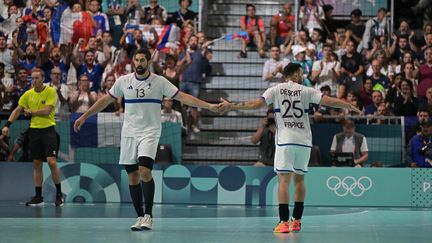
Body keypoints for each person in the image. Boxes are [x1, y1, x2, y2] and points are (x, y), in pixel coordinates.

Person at [73, 49, 220, 231]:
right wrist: (84, 116)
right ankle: (139, 216)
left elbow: (183, 97)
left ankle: (149, 216)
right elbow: (104, 101)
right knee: (132, 176)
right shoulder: (123, 81)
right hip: (129, 133)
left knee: (144, 170)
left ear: (148, 62)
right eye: (137, 60)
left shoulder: (159, 82)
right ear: (133, 62)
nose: (139, 63)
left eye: (143, 60)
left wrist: (209, 106)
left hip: (149, 132)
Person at [218, 63, 360, 233]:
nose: (302, 76)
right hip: (304, 141)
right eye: (300, 73)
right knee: (299, 180)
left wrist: (232, 105)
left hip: (285, 141)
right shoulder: (306, 90)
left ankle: (284, 222)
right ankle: (297, 220)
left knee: (283, 181)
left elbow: (255, 104)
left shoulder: (276, 89)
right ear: (294, 75)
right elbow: (329, 101)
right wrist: (348, 106)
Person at [1, 68, 63, 207]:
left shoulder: (50, 91)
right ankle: (38, 196)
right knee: (36, 163)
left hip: (48, 131)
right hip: (34, 132)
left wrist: (31, 111)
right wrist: (7, 125)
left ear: (42, 79)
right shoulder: (27, 94)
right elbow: (17, 110)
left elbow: (47, 110)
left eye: (36, 78)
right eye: (32, 78)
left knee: (52, 162)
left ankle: (59, 194)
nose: (33, 81)